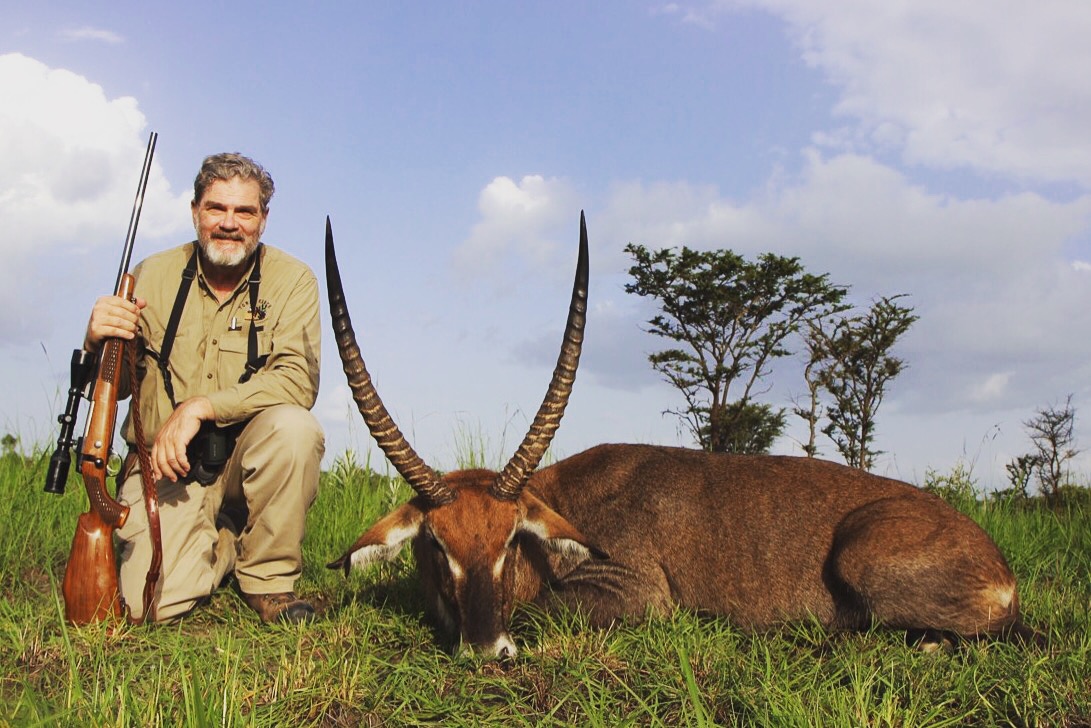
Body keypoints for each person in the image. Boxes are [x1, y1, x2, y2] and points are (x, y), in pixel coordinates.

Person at [83, 152, 324, 624]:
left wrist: (202, 407)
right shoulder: (151, 274)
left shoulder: (293, 280)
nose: (229, 223)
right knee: (147, 606)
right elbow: (113, 389)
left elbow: (297, 381)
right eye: (216, 209)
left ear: (263, 219)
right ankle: (226, 544)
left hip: (243, 463)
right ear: (195, 211)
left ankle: (269, 580)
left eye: (245, 212)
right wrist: (96, 341)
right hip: (165, 468)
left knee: (295, 428)